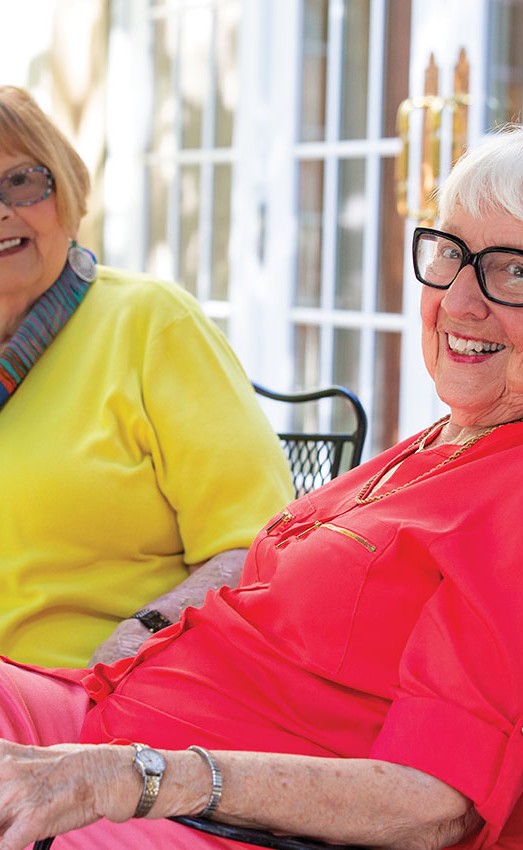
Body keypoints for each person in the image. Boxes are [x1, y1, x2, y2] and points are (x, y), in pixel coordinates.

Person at [0, 127, 523, 850]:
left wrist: (133, 778)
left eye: (513, 271)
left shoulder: (510, 499)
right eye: (449, 254)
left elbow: (436, 803)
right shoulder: (446, 442)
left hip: (208, 812)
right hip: (111, 719)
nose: (460, 300)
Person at [0, 85, 294, 669]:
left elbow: (259, 545)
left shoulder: (152, 322)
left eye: (22, 181)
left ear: (69, 190)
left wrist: (139, 639)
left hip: (95, 697)